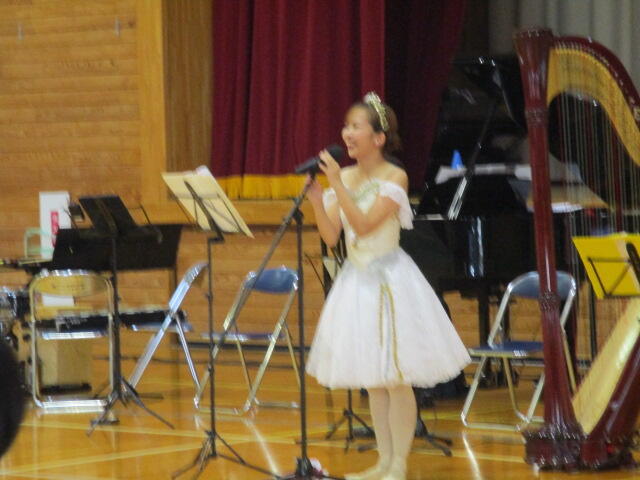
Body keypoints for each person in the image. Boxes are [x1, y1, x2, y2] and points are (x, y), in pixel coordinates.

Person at [305, 92, 471, 480]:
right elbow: (332, 236)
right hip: (356, 282)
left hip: (391, 282)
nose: (347, 133)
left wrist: (336, 184)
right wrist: (316, 199)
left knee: (395, 379)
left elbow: (365, 226)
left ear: (378, 138)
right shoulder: (345, 177)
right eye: (346, 126)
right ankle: (382, 460)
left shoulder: (395, 177)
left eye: (356, 126)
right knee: (374, 381)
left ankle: (399, 463)